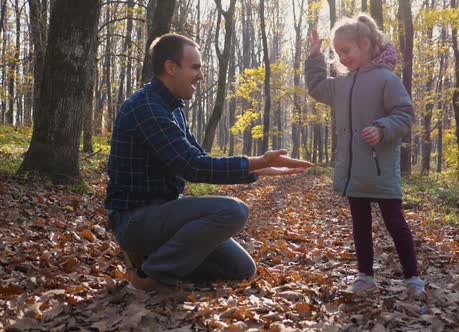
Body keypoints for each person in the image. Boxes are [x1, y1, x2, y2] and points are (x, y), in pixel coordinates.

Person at [105, 33, 313, 291]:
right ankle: (149, 276)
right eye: (195, 67)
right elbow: (192, 166)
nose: (201, 76)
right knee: (233, 211)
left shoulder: (173, 108)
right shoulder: (146, 107)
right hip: (135, 220)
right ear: (171, 68)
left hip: (165, 214)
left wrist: (260, 167)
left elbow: (200, 158)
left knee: (241, 269)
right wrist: (256, 161)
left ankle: (154, 259)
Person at [304, 14, 425, 295]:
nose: (342, 57)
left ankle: (413, 278)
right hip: (354, 169)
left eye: (346, 51)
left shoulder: (386, 79)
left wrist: (382, 128)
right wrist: (314, 57)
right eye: (337, 52)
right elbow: (317, 87)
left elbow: (405, 114)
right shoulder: (342, 83)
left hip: (381, 168)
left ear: (366, 44)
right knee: (360, 225)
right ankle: (365, 276)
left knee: (395, 223)